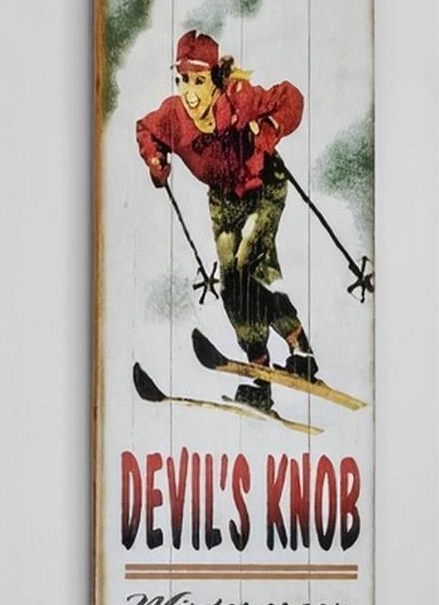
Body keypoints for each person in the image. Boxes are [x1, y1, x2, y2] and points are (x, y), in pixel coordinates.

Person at [134, 29, 313, 408]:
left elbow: (290, 99)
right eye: (183, 80)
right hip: (224, 202)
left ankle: (299, 351)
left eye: (199, 81)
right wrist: (156, 161)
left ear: (216, 80)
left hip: (263, 187)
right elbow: (146, 130)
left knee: (248, 266)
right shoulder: (172, 115)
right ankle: (264, 372)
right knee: (234, 287)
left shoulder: (240, 98)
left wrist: (267, 132)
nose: (190, 92)